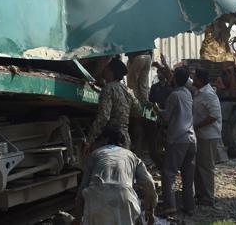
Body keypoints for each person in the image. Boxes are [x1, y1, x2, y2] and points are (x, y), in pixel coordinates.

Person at [74, 126, 157, 225]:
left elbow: (82, 189)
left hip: (96, 199)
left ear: (105, 140)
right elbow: (149, 184)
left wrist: (78, 218)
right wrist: (150, 212)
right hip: (124, 198)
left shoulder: (95, 154)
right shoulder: (132, 156)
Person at [155, 66, 197, 216]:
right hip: (191, 138)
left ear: (175, 78)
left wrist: (156, 110)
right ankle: (189, 206)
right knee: (187, 176)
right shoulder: (188, 94)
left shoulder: (174, 95)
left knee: (168, 173)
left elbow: (166, 117)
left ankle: (170, 206)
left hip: (178, 138)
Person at [86, 57, 141, 151]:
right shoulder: (128, 90)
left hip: (112, 140)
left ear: (110, 72)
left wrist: (89, 141)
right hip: (125, 139)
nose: (104, 70)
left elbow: (104, 117)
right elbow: (137, 109)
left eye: (106, 68)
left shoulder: (108, 88)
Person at [191, 68, 223, 207]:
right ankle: (200, 193)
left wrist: (197, 125)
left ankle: (208, 197)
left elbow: (214, 115)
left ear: (199, 80)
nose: (192, 80)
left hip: (208, 135)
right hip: (201, 135)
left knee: (206, 167)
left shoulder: (209, 94)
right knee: (198, 166)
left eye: (194, 77)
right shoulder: (199, 92)